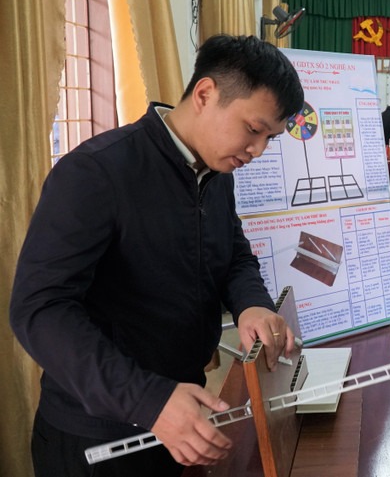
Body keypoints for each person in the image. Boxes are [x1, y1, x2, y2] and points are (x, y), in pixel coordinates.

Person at [9, 35, 304, 476]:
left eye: (270, 138)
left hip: (182, 414)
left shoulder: (216, 171)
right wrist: (148, 400)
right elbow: (39, 309)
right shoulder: (97, 171)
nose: (258, 150)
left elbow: (234, 253)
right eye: (253, 129)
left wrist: (252, 304)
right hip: (100, 436)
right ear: (205, 94)